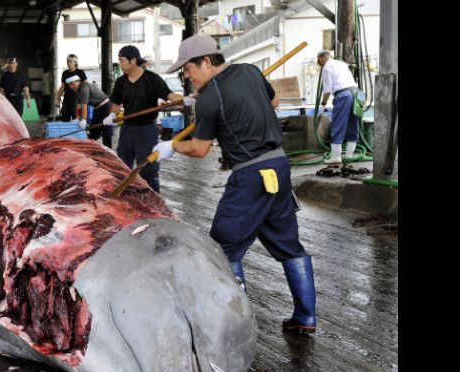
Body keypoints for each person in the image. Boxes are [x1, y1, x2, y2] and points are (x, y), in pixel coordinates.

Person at [152, 34, 317, 335]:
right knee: (289, 246)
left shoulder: (210, 96)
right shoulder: (250, 71)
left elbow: (200, 149)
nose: (187, 77)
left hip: (250, 177)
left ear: (206, 61)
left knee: (222, 249)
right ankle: (305, 318)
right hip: (278, 168)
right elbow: (274, 101)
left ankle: (236, 327)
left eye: (188, 69)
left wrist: (171, 147)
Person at [103, 45, 187, 193]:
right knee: (122, 166)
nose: (120, 64)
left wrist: (186, 100)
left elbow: (170, 95)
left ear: (133, 60)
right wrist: (111, 115)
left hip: (147, 130)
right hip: (127, 130)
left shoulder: (151, 79)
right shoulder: (121, 82)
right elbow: (116, 105)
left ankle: (153, 199)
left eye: (122, 61)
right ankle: (126, 198)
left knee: (148, 169)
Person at [317, 50, 359, 165]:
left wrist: (323, 105)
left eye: (319, 62)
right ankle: (349, 155)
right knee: (353, 123)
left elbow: (327, 90)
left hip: (343, 95)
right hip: (356, 94)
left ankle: (336, 156)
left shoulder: (326, 67)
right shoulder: (341, 64)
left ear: (321, 59)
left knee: (338, 124)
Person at [66, 75, 113, 149]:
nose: (71, 87)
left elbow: (84, 105)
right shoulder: (78, 91)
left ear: (78, 81)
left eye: (72, 84)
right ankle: (91, 149)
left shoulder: (84, 87)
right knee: (93, 130)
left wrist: (84, 119)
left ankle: (108, 152)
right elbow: (79, 105)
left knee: (106, 131)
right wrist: (78, 118)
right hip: (97, 108)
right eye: (69, 85)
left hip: (105, 107)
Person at [57, 54, 87, 121]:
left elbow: (86, 85)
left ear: (75, 62)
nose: (68, 63)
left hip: (77, 99)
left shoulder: (80, 72)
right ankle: (66, 131)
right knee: (64, 116)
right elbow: (63, 86)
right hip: (67, 99)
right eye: (67, 61)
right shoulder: (65, 73)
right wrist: (58, 97)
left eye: (70, 61)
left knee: (76, 117)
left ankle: (78, 131)